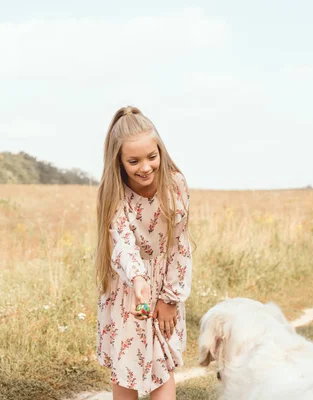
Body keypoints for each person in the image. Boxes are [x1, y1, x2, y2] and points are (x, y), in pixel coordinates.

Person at [95, 106, 193, 400]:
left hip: (165, 283)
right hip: (127, 286)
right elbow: (122, 242)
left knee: (161, 361)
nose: (145, 167)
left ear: (160, 150)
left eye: (152, 157)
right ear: (120, 161)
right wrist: (138, 281)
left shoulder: (174, 184)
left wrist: (170, 298)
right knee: (126, 366)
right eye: (133, 161)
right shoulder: (114, 192)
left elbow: (180, 244)